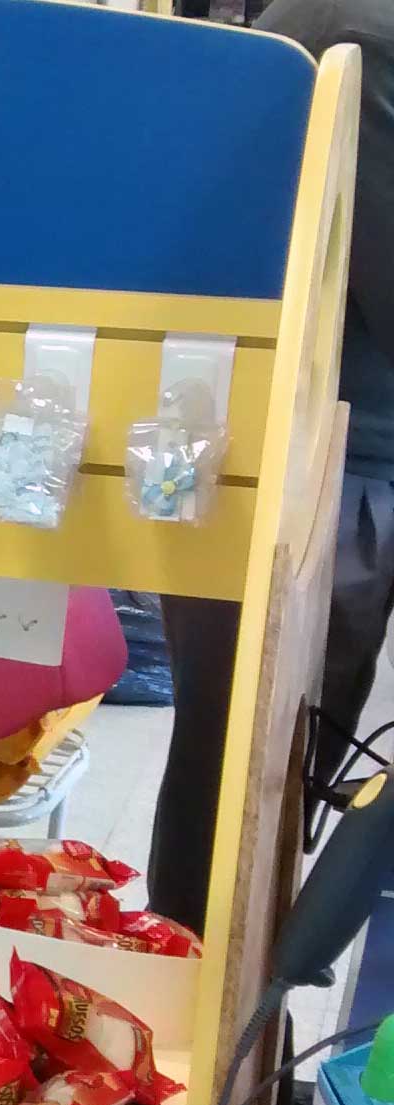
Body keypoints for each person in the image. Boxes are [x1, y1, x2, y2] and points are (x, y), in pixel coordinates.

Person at [148, 0, 394, 932]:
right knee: (250, 786)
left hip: (293, 447)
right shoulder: (364, 34)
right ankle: (217, 1001)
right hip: (325, 465)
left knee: (241, 773)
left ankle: (214, 984)